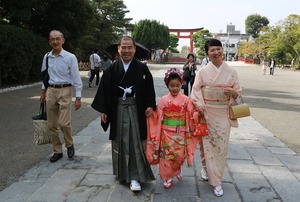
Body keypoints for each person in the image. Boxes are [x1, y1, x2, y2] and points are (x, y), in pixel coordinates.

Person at [91, 36, 156, 192]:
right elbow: (105, 91)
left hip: (136, 109)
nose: (126, 51)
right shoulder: (112, 69)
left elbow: (149, 89)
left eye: (129, 47)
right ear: (118, 49)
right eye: (123, 47)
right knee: (120, 141)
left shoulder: (142, 68)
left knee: (135, 142)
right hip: (118, 108)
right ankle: (121, 173)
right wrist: (104, 110)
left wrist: (150, 105)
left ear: (134, 49)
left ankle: (135, 176)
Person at [190, 38, 242, 197]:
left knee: (220, 148)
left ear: (222, 50)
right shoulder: (202, 72)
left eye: (218, 49)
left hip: (224, 115)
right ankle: (207, 170)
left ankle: (217, 179)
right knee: (205, 146)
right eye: (212, 50)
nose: (216, 52)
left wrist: (235, 94)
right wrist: (200, 106)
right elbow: (195, 92)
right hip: (207, 114)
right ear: (207, 54)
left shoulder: (232, 73)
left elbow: (239, 95)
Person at [146, 68, 198, 189]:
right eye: (171, 85)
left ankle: (177, 169)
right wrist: (151, 112)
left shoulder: (185, 99)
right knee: (166, 156)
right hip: (166, 133)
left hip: (180, 132)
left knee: (179, 156)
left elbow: (191, 113)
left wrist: (197, 113)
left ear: (181, 84)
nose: (174, 88)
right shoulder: (164, 100)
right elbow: (157, 115)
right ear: (167, 85)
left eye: (177, 85)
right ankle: (167, 177)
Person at [40, 30, 83, 163]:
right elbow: (44, 76)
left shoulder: (70, 57)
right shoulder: (47, 57)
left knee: (64, 123)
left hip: (65, 90)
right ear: (49, 41)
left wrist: (78, 97)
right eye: (52, 39)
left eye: (58, 39)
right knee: (52, 124)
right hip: (51, 91)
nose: (55, 41)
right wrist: (43, 92)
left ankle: (69, 144)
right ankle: (57, 150)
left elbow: (76, 78)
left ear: (63, 41)